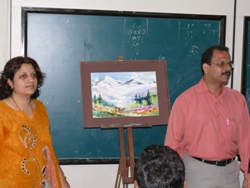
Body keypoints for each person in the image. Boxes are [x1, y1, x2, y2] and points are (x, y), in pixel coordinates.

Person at [164, 45, 250, 188]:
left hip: (230, 174)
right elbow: (173, 144)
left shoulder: (238, 100)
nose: (227, 68)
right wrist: (177, 179)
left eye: (229, 64)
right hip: (197, 173)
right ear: (206, 67)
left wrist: (248, 173)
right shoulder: (185, 101)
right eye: (221, 63)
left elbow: (246, 141)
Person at [0, 56, 70, 188]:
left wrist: (63, 182)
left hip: (43, 183)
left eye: (33, 75)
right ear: (9, 81)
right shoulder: (2, 111)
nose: (30, 79)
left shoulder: (40, 108)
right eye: (23, 76)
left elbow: (49, 152)